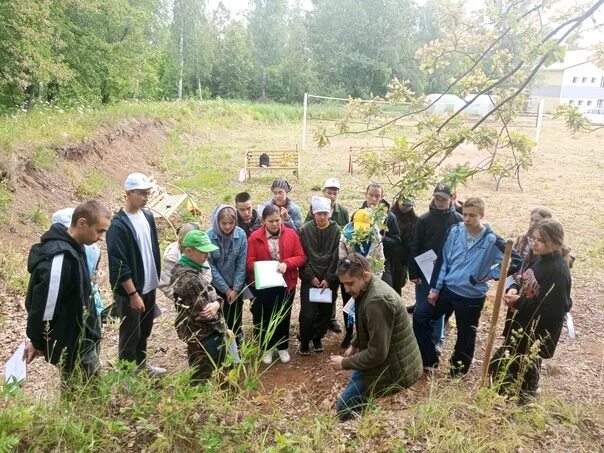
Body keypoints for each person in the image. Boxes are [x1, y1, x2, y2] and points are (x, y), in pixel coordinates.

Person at [422, 197, 521, 377]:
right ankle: (429, 359)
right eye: (465, 214)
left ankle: (458, 370)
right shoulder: (454, 231)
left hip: (471, 297)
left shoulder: (492, 240)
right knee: (421, 317)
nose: (467, 219)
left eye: (472, 215)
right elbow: (443, 260)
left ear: (482, 215)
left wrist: (489, 275)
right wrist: (435, 289)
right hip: (448, 290)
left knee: (466, 334)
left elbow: (515, 261)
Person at [24, 201, 111, 382]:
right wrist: (37, 341)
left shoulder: (76, 248)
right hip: (73, 344)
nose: (101, 238)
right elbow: (44, 307)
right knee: (84, 393)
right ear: (81, 223)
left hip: (83, 336)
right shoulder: (60, 258)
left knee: (83, 391)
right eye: (99, 231)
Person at [330, 253, 423, 421]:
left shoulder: (376, 301)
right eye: (343, 284)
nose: (347, 289)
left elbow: (377, 353)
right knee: (355, 389)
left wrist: (344, 363)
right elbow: (368, 324)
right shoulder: (367, 287)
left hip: (395, 367)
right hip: (386, 358)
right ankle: (364, 418)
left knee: (345, 405)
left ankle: (355, 432)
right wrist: (355, 342)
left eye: (350, 283)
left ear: (365, 275)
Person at [489, 219, 572, 402]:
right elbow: (526, 281)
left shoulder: (557, 271)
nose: (534, 243)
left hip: (534, 335)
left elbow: (552, 310)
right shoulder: (540, 259)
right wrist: (515, 290)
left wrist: (519, 302)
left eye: (540, 240)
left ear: (556, 243)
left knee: (522, 374)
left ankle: (524, 405)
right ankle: (507, 402)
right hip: (521, 326)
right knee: (500, 369)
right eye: (533, 238)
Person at [106, 172, 166, 376]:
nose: (145, 198)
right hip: (132, 291)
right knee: (130, 332)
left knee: (145, 329)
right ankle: (126, 373)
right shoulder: (118, 225)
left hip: (148, 285)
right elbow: (118, 264)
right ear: (129, 193)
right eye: (141, 193)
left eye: (148, 193)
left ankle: (141, 365)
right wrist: (132, 294)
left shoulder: (147, 216)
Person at [410, 183, 462, 364]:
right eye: (437, 198)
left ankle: (437, 338)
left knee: (438, 305)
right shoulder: (424, 220)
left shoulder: (458, 220)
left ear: (451, 198)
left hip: (447, 271)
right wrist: (413, 272)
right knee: (423, 304)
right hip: (425, 269)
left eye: (443, 199)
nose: (440, 202)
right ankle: (420, 340)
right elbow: (415, 245)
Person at [247, 204, 306, 364]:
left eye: (277, 220)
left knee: (283, 315)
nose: (274, 224)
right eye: (270, 221)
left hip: (286, 282)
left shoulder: (291, 234)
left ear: (282, 219)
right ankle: (267, 347)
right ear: (263, 221)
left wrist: (287, 263)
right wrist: (266, 267)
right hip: (265, 284)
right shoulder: (254, 237)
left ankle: (282, 347)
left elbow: (300, 256)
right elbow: (249, 261)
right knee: (265, 315)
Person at [171, 230, 228, 383]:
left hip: (193, 332)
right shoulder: (191, 279)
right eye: (203, 252)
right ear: (188, 251)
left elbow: (210, 294)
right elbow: (208, 313)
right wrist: (218, 305)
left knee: (199, 369)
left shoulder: (181, 269)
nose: (207, 256)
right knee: (206, 373)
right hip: (205, 334)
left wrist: (216, 302)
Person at [305, 177, 350, 333]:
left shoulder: (342, 212)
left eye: (334, 192)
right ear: (324, 192)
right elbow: (306, 232)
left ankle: (330, 319)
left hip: (335, 259)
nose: (331, 195)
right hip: (315, 262)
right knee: (314, 300)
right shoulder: (315, 211)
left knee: (332, 293)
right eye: (329, 192)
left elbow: (347, 233)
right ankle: (315, 324)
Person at [298, 196, 341, 355]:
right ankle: (304, 339)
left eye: (325, 213)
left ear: (329, 213)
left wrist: (329, 278)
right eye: (318, 213)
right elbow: (302, 255)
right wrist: (310, 277)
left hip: (328, 280)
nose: (322, 217)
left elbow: (336, 256)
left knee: (325, 312)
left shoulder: (337, 231)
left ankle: (317, 337)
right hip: (311, 278)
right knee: (308, 313)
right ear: (313, 213)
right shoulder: (305, 230)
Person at [338, 209, 384, 349]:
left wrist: (373, 280)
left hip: (368, 281)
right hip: (350, 280)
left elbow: (380, 260)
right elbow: (341, 258)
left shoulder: (376, 238)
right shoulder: (345, 237)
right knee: (348, 306)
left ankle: (365, 337)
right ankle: (349, 332)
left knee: (366, 309)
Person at [51, 208, 106, 317]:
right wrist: (96, 285)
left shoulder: (80, 249)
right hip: (87, 309)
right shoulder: (92, 248)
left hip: (77, 312)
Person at [207, 205, 248, 343]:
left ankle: (237, 339)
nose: (228, 227)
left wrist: (235, 289)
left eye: (231, 223)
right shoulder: (209, 236)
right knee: (220, 315)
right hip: (217, 285)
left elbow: (241, 264)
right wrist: (225, 288)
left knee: (236, 313)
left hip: (236, 284)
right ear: (217, 222)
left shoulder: (241, 234)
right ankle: (222, 343)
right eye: (224, 223)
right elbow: (210, 265)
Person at [360, 182, 401, 290]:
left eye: (377, 196)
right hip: (361, 263)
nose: (373, 199)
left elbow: (396, 240)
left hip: (382, 263)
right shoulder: (358, 214)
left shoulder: (389, 217)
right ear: (366, 194)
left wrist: (380, 238)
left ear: (382, 197)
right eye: (371, 195)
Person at [158, 222, 205, 300]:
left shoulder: (198, 249)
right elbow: (167, 284)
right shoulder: (171, 257)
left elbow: (207, 272)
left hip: (202, 294)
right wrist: (182, 300)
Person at [390, 196, 419, 296]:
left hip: (403, 258)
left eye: (409, 206)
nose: (406, 207)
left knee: (398, 284)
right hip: (389, 255)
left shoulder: (415, 220)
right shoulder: (389, 216)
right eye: (404, 204)